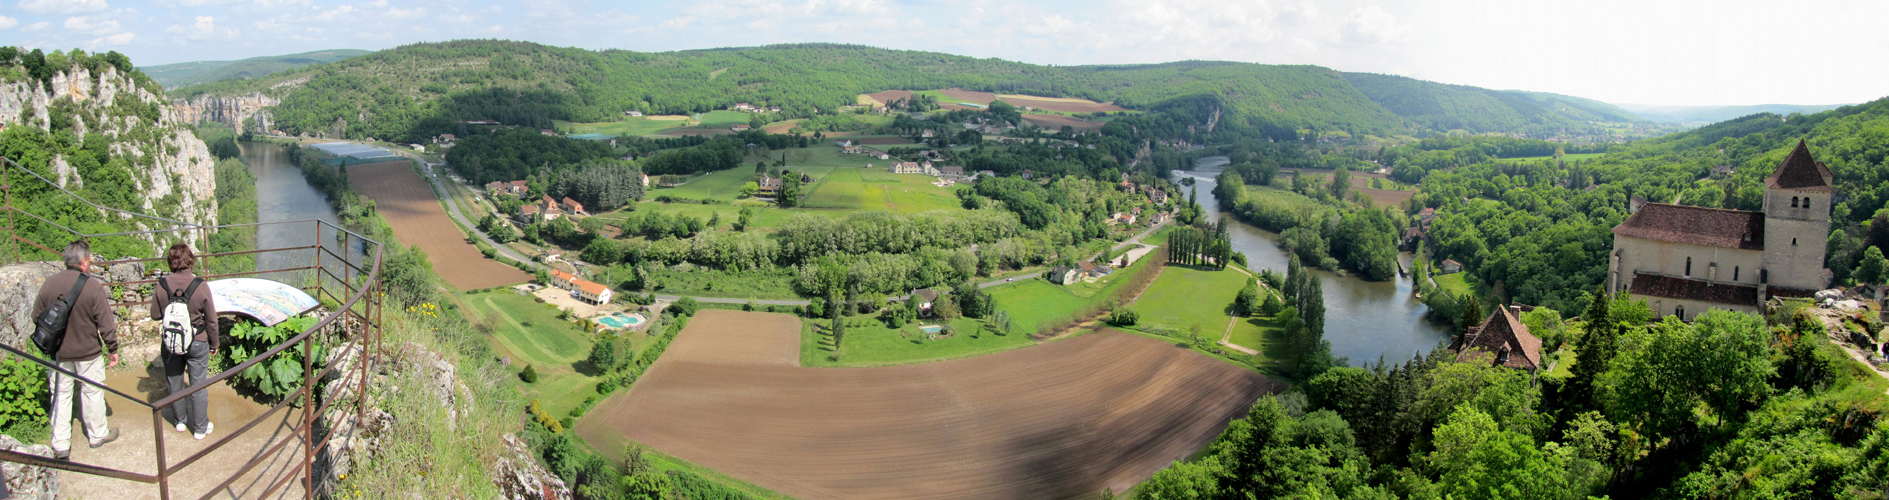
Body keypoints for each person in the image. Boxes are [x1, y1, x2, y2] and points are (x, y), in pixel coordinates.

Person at [32, 241, 120, 460]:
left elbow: (36, 316)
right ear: (83, 261)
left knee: (60, 395)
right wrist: (112, 348)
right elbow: (106, 323)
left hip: (59, 353)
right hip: (88, 352)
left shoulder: (49, 284)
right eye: (89, 260)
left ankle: (60, 444)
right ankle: (97, 435)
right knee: (92, 392)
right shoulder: (92, 287)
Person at [152, 244, 218, 440]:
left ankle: (180, 421)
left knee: (174, 380)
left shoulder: (161, 285)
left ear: (171, 262)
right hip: (197, 341)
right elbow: (212, 320)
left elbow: (155, 314)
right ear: (190, 260)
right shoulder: (200, 285)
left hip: (171, 342)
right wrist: (214, 344)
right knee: (197, 384)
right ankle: (200, 428)